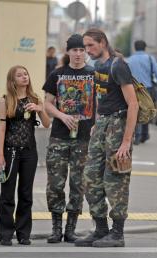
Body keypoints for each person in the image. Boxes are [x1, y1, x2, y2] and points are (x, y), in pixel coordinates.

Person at [75, 28, 138, 248]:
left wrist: (126, 141)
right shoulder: (97, 67)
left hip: (119, 126)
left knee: (116, 180)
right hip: (103, 125)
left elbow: (133, 104)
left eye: (91, 45)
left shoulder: (118, 64)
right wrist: (97, 123)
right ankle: (101, 229)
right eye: (85, 46)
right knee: (90, 178)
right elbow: (104, 98)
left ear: (103, 43)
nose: (87, 50)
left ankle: (117, 233)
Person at [43, 34, 95, 243]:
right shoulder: (57, 74)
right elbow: (47, 103)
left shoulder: (94, 74)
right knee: (55, 183)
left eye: (82, 50)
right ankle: (56, 228)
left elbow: (102, 104)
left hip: (84, 138)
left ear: (86, 52)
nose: (78, 54)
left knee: (78, 184)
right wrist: (62, 115)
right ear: (68, 52)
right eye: (74, 50)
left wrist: (96, 126)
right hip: (59, 137)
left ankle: (70, 228)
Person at [0, 65, 50, 246]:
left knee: (26, 194)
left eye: (26, 74)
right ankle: (5, 233)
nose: (24, 77)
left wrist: (40, 108)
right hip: (10, 151)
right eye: (20, 75)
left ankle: (24, 233)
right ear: (13, 80)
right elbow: (2, 129)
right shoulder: (5, 100)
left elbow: (47, 124)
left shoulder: (34, 98)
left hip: (29, 153)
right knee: (7, 194)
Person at [127, 40, 157, 145]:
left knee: (135, 111)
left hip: (133, 89)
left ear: (135, 47)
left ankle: (137, 135)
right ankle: (144, 135)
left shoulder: (130, 60)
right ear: (145, 48)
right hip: (147, 89)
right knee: (147, 110)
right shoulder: (150, 59)